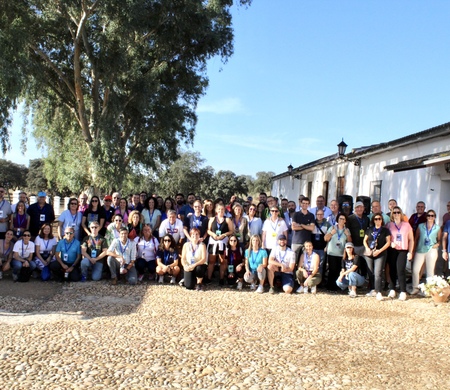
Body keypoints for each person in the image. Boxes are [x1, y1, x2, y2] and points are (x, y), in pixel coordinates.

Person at [386, 206, 414, 301]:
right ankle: (392, 289)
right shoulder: (389, 225)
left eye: (398, 212)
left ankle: (403, 291)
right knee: (392, 270)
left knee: (400, 270)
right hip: (392, 250)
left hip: (402, 250)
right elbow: (385, 238)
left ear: (401, 214)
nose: (396, 214)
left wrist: (410, 252)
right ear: (392, 214)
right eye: (394, 213)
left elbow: (411, 239)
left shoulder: (406, 225)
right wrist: (390, 243)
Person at [410, 210, 441, 295]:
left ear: (434, 217)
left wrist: (438, 244)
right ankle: (415, 288)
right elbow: (416, 239)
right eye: (429, 215)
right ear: (426, 216)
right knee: (416, 270)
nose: (430, 217)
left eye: (432, 216)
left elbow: (439, 239)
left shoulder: (437, 228)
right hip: (420, 249)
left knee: (430, 270)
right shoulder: (420, 226)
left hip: (431, 249)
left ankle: (429, 290)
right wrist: (413, 251)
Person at [363, 213, 391, 300]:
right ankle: (373, 289)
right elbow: (365, 240)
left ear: (382, 220)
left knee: (378, 272)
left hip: (380, 253)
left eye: (379, 219)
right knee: (370, 272)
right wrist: (367, 248)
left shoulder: (385, 230)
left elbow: (388, 242)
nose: (377, 220)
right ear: (373, 220)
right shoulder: (370, 229)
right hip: (370, 253)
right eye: (376, 219)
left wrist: (379, 250)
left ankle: (379, 292)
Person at [206, 203, 233, 285]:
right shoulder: (212, 219)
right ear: (216, 210)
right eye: (219, 209)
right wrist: (213, 234)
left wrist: (224, 235)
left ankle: (221, 279)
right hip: (213, 242)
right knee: (211, 261)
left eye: (222, 209)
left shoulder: (227, 219)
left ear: (224, 210)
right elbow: (208, 230)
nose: (221, 211)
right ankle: (208, 278)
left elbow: (231, 231)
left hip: (223, 242)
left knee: (222, 261)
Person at [324, 213, 352, 291]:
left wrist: (348, 235)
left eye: (343, 219)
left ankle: (338, 286)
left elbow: (350, 242)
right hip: (332, 252)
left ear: (345, 221)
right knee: (332, 269)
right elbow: (326, 239)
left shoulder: (347, 230)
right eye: (340, 218)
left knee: (339, 269)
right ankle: (330, 286)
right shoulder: (332, 228)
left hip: (341, 253)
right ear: (337, 219)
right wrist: (331, 233)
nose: (341, 220)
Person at [291, 197, 315, 263]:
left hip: (306, 242)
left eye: (307, 203)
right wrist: (306, 226)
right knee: (293, 261)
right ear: (301, 204)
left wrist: (301, 225)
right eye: (303, 203)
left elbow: (312, 228)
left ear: (309, 205)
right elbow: (293, 227)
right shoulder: (296, 214)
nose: (305, 205)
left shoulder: (311, 215)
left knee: (304, 261)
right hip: (296, 241)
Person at [311, 209, 330, 276]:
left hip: (322, 248)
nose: (320, 216)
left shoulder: (327, 224)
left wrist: (327, 246)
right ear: (316, 215)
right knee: (312, 264)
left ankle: (319, 281)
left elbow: (329, 237)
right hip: (313, 248)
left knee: (321, 265)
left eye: (321, 214)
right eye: (318, 214)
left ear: (323, 215)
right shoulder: (312, 223)